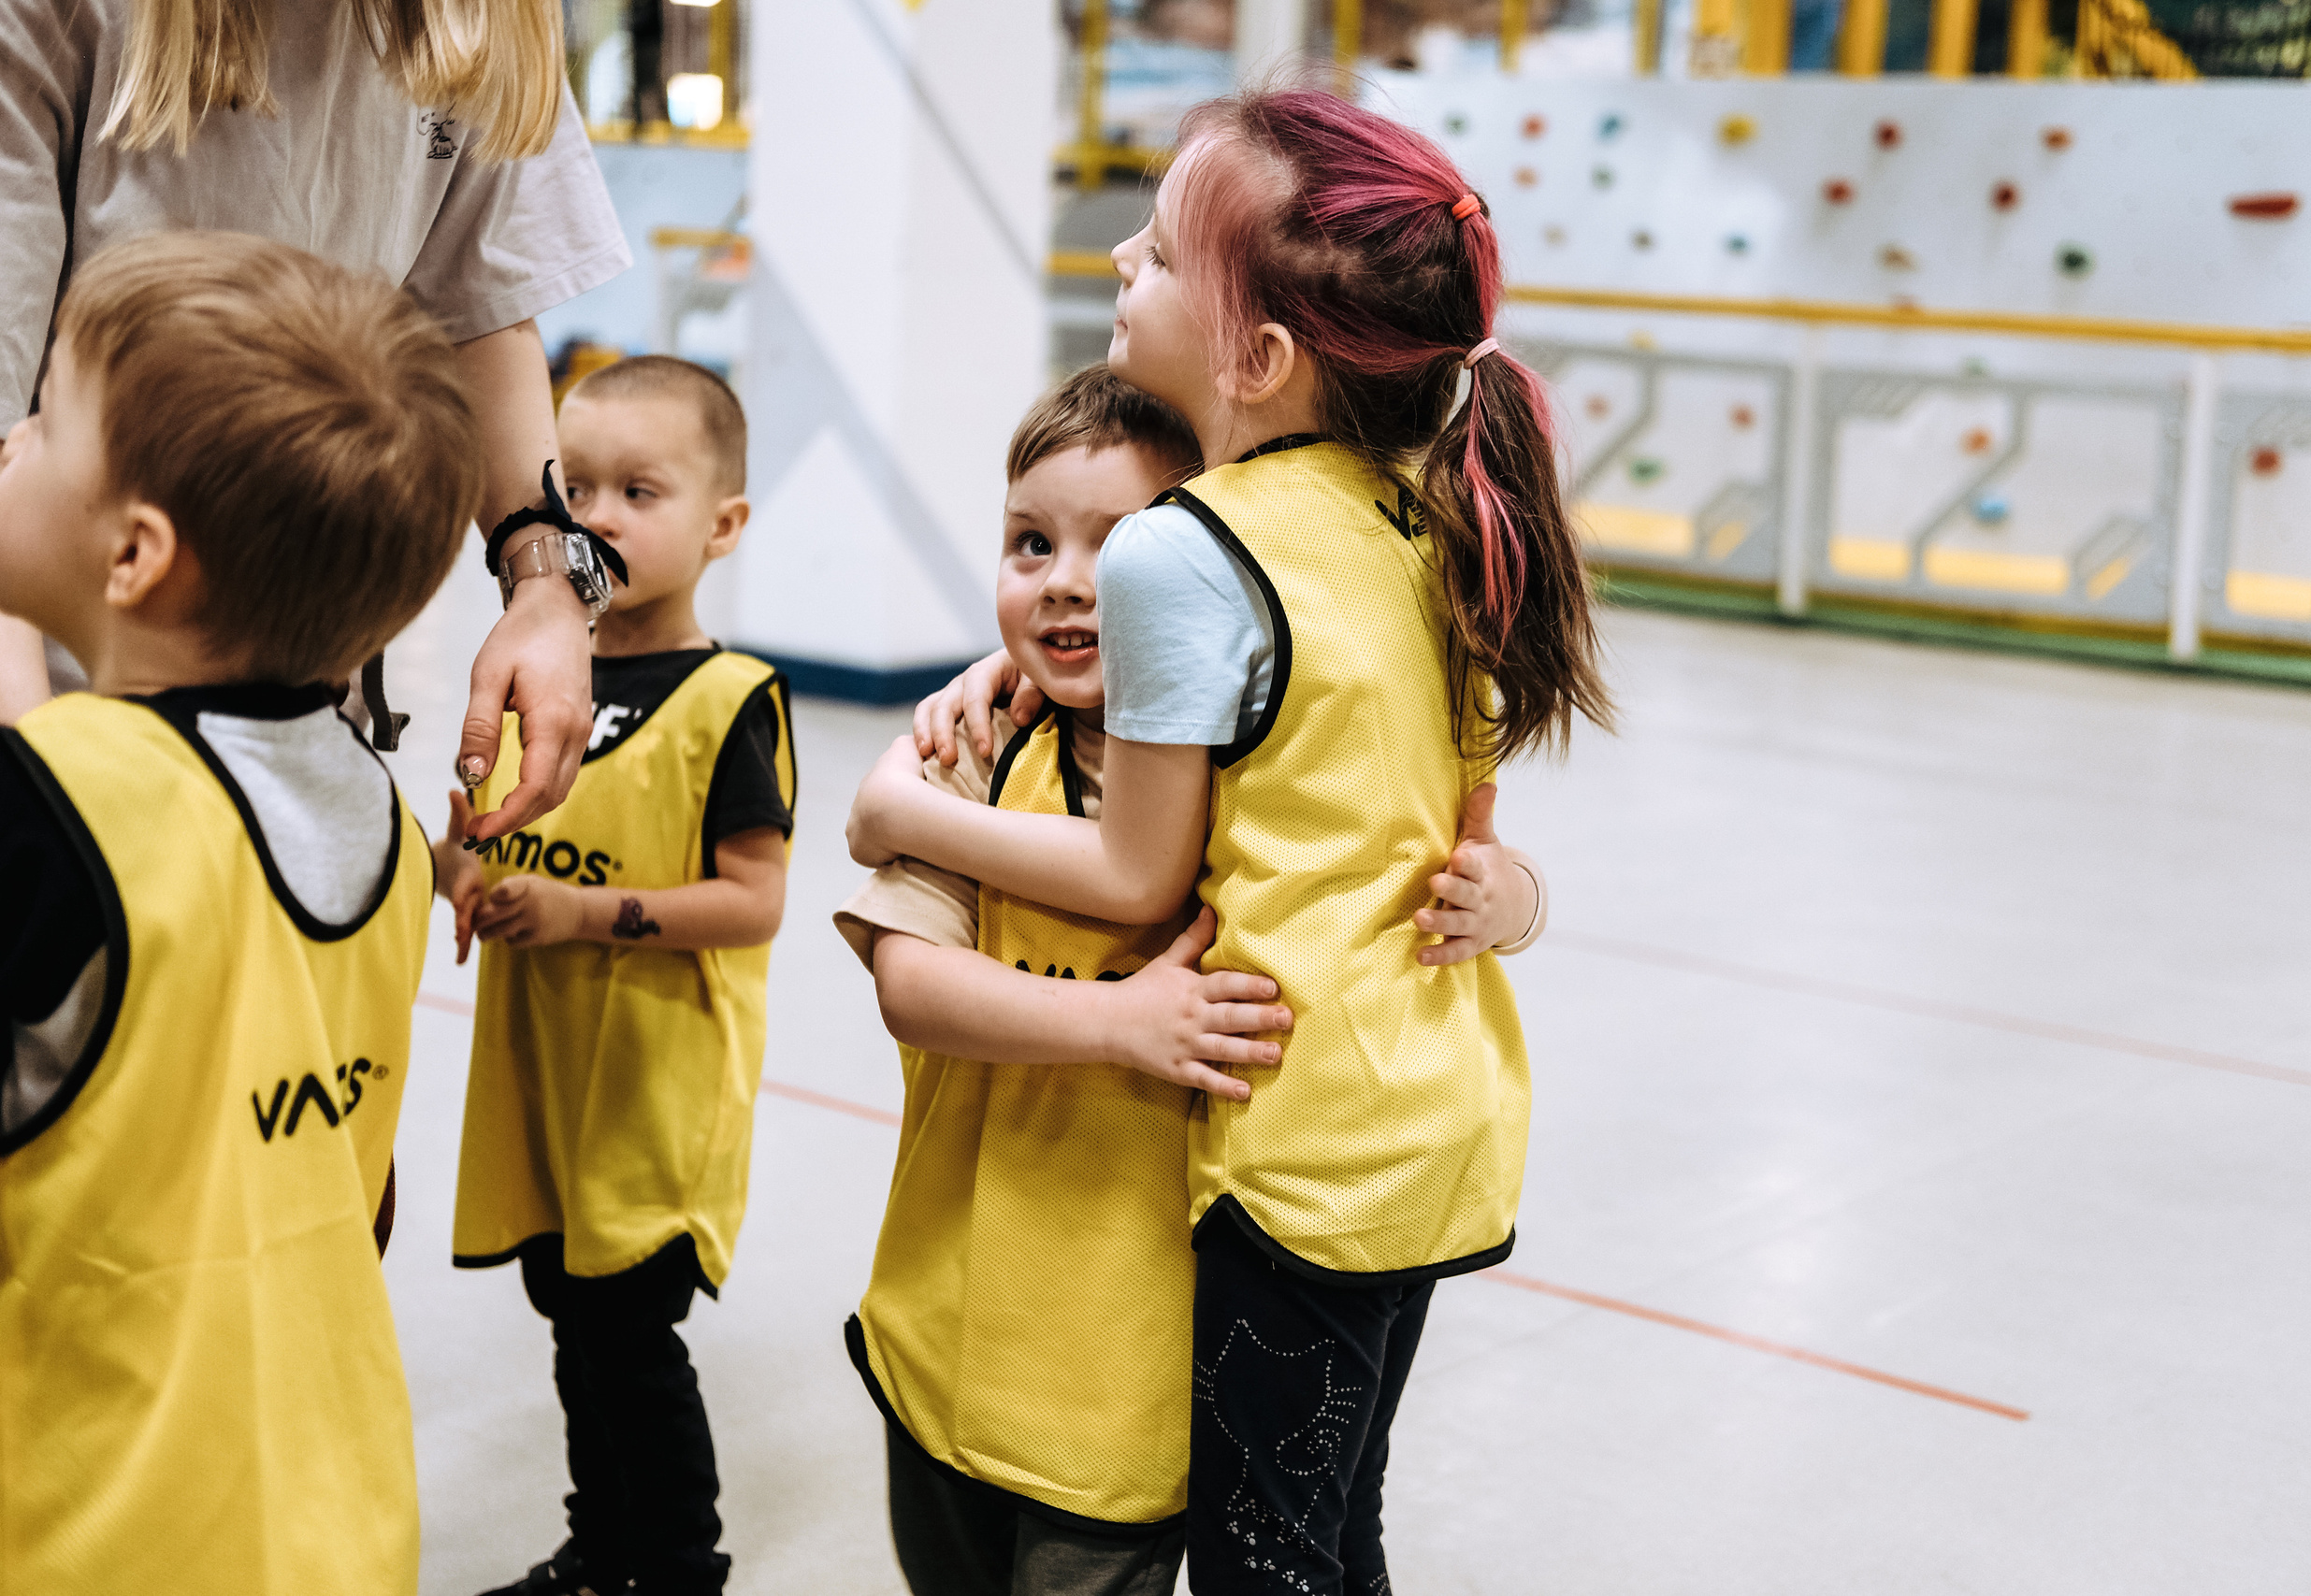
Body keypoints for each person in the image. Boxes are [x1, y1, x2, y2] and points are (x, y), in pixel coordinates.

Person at [847, 86, 1602, 1593]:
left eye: (1159, 252)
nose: (1121, 260)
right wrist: (1517, 901)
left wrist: (897, 813)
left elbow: (1134, 872)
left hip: (1300, 1144)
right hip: (1440, 1113)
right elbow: (1471, 837)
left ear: (1255, 356)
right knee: (1331, 1544)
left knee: (1269, 1567)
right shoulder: (1423, 504)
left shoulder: (1189, 547)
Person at [0, 232, 480, 1593]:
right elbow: (353, 1193)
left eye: (44, 419)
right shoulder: (385, 828)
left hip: (86, 1526)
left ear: (136, 552)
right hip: (331, 1517)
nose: (11, 441)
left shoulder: (53, 806)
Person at [835, 367, 1279, 1596]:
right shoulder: (979, 744)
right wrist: (1118, 1019)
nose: (1068, 578)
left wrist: (1509, 891)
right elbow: (911, 984)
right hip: (941, 1326)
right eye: (1030, 541)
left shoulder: (1248, 780)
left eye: (1122, 546)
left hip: (1118, 1385)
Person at [0, 0, 632, 844]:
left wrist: (548, 584)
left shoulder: (480, 19)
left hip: (295, 724)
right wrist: (42, 789)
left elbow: (477, 298)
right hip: (59, 693)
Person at [437, 355, 794, 1596]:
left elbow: (754, 902)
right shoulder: (541, 684)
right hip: (546, 1094)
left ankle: (678, 1563)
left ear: (722, 526)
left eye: (637, 489)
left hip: (652, 1097)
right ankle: (605, 1548)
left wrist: (586, 911)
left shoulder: (727, 697)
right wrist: (459, 865)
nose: (594, 516)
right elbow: (503, 841)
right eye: (572, 485)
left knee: (632, 1345)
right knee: (577, 1336)